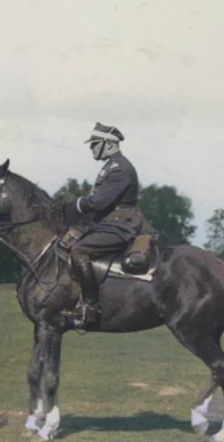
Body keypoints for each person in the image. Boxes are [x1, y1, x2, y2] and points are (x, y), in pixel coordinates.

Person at [58, 122, 151, 328]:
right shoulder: (111, 166)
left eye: (94, 144)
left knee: (79, 251)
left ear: (108, 144)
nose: (91, 148)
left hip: (120, 225)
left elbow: (98, 202)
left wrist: (74, 205)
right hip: (109, 222)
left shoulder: (119, 169)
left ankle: (90, 307)